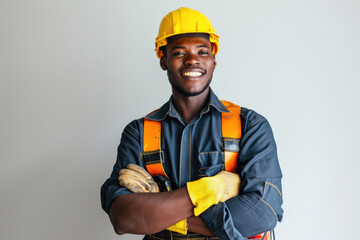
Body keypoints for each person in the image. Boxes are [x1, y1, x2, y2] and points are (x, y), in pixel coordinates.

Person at [101, 7, 283, 240]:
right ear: (163, 60)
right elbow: (123, 218)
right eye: (179, 53)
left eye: (202, 51)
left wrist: (159, 209)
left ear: (213, 60)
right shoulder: (138, 133)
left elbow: (262, 215)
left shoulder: (250, 126)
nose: (192, 60)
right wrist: (209, 190)